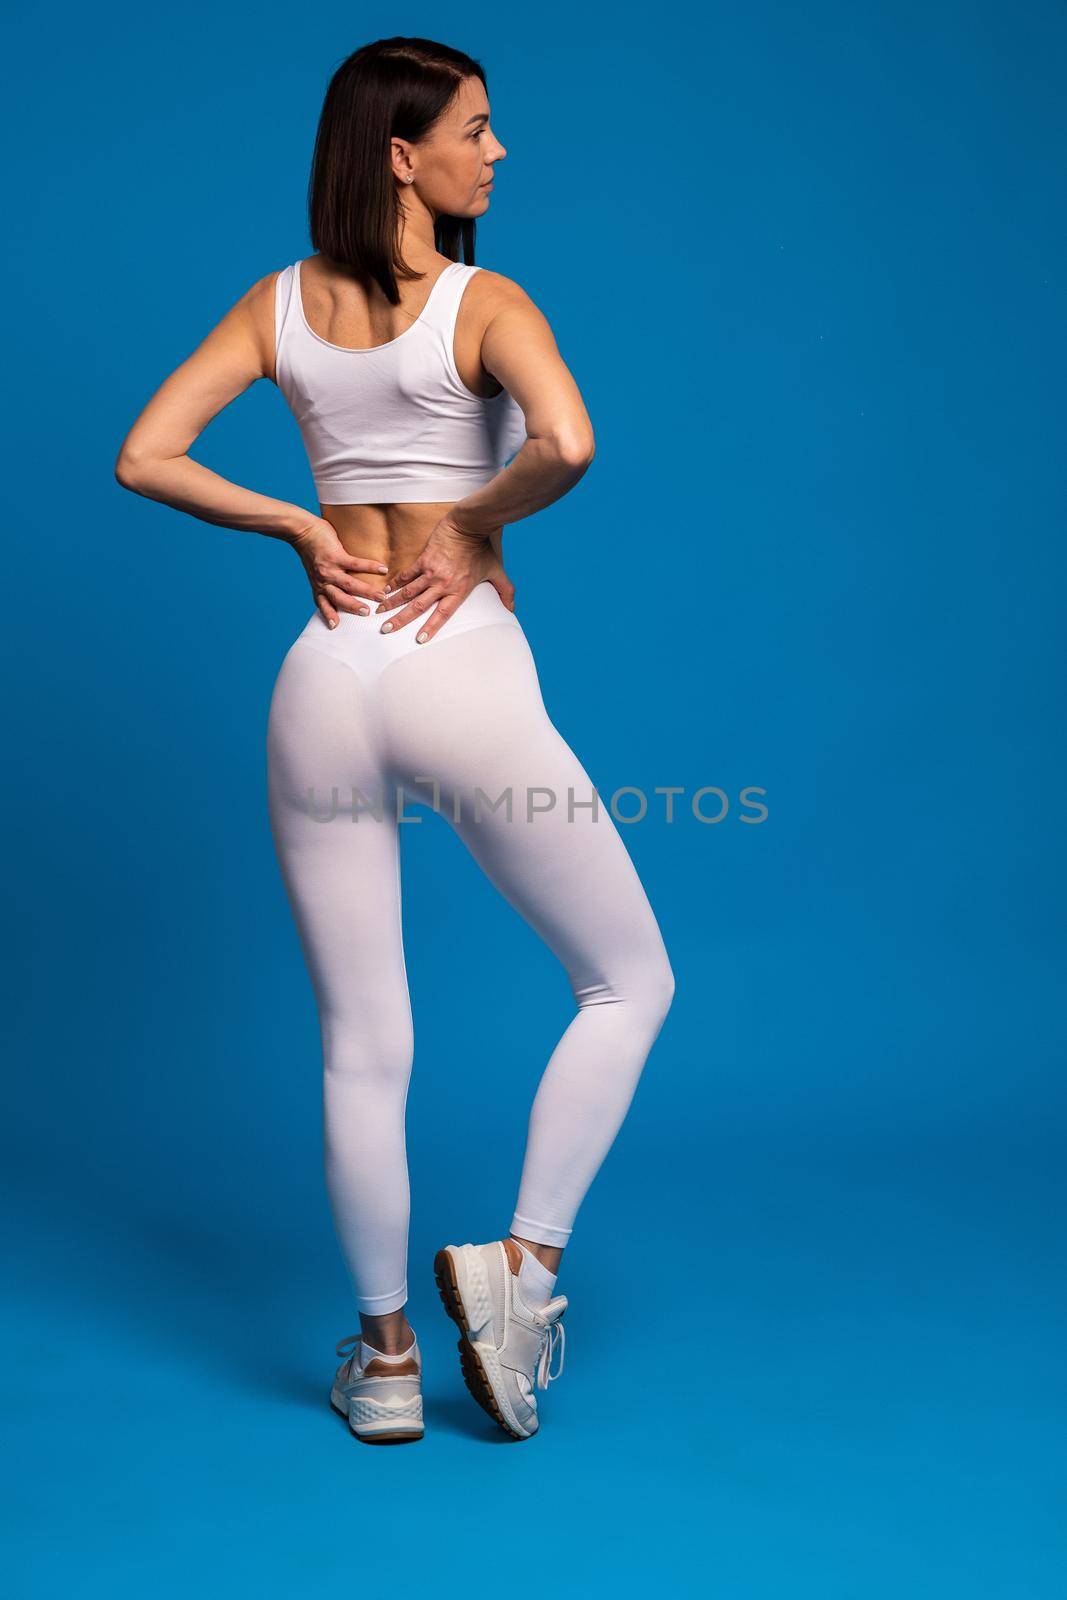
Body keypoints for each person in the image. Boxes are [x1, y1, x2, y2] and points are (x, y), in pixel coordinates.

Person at [115, 35, 674, 1445]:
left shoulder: (278, 307)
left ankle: (382, 1364)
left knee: (362, 1042)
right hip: (452, 665)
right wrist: (476, 522)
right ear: (400, 154)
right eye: (476, 129)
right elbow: (573, 441)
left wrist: (304, 524)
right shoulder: (485, 302)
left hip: (322, 674)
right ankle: (523, 1273)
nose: (497, 152)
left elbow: (146, 452)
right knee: (628, 983)